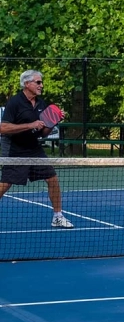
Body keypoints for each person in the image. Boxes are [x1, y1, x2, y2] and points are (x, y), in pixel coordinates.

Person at [0, 70, 74, 228]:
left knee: (52, 179)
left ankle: (57, 216)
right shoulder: (15, 102)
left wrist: (54, 121)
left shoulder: (41, 104)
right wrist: (29, 125)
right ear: (27, 84)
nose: (41, 85)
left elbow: (43, 133)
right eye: (38, 82)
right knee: (5, 184)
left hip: (33, 147)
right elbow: (3, 128)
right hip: (15, 148)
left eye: (41, 82)